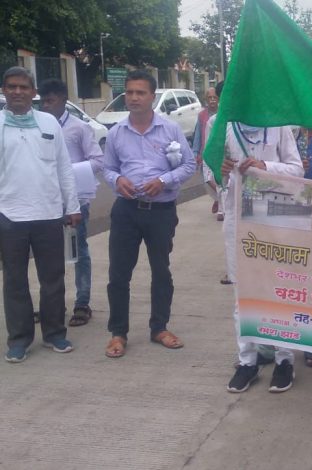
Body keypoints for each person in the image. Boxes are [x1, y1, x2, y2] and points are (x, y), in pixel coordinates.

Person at [102, 70, 196, 358]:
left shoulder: (170, 130)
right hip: (126, 211)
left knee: (161, 271)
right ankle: (118, 333)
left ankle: (159, 328)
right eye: (129, 92)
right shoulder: (117, 132)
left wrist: (164, 181)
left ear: (152, 97)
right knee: (119, 274)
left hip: (161, 211)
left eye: (140, 93)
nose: (133, 98)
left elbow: (189, 165)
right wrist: (118, 180)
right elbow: (107, 168)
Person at [0, 67, 81, 362]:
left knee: (53, 278)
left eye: (23, 87)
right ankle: (19, 339)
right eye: (11, 87)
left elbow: (63, 168)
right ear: (4, 90)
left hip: (48, 214)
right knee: (14, 280)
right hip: (9, 216)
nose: (17, 92)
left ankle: (55, 334)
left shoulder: (48, 123)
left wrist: (71, 206)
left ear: (34, 93)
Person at [218, 120, 304, 393]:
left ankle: (284, 360)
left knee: (278, 291)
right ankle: (248, 362)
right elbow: (209, 173)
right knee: (242, 294)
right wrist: (219, 173)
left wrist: (265, 167)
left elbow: (296, 168)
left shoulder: (279, 127)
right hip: (238, 220)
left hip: (275, 217)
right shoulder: (224, 126)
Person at [38, 78, 104, 327]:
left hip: (74, 201)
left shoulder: (79, 128)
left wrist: (66, 172)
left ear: (64, 100)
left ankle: (82, 303)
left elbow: (98, 161)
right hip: (44, 202)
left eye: (50, 100)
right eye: (42, 101)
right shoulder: (37, 126)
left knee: (77, 252)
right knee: (48, 254)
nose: (45, 105)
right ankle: (51, 305)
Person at [192, 86, 223, 220]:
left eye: (214, 98)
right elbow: (198, 134)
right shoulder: (202, 115)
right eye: (209, 98)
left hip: (220, 153)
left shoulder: (223, 113)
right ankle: (219, 198)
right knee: (208, 179)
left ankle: (221, 203)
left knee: (220, 179)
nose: (212, 100)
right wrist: (195, 153)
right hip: (206, 152)